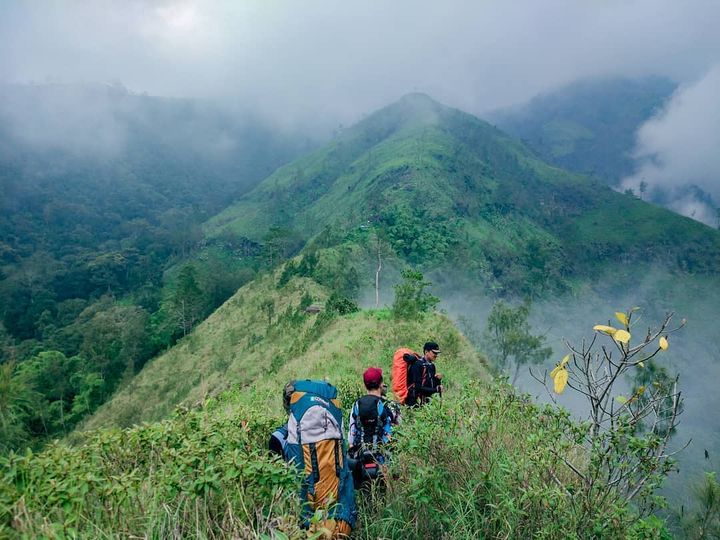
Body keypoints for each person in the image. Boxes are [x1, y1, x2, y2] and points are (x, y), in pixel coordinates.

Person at [406, 342, 443, 407]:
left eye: (437, 353)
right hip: (414, 403)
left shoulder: (432, 366)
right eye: (434, 353)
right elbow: (417, 387)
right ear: (426, 352)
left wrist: (437, 380)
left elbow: (431, 385)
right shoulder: (417, 365)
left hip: (426, 403)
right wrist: (436, 390)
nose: (436, 355)